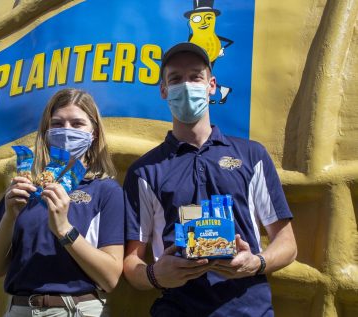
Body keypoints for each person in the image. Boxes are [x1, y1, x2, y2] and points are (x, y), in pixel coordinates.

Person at [123, 42, 297, 316]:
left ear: (211, 85)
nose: (187, 86)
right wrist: (157, 275)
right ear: (164, 91)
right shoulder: (144, 171)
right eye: (176, 79)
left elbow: (287, 245)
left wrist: (257, 263)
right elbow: (131, 264)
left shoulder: (253, 155)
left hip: (250, 310)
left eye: (195, 77)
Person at [0, 88, 124, 317]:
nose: (66, 131)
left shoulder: (105, 190)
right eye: (58, 124)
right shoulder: (27, 186)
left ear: (94, 134)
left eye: (77, 124)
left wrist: (63, 229)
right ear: (46, 132)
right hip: (20, 308)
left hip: (77, 309)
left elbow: (110, 278)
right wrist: (10, 216)